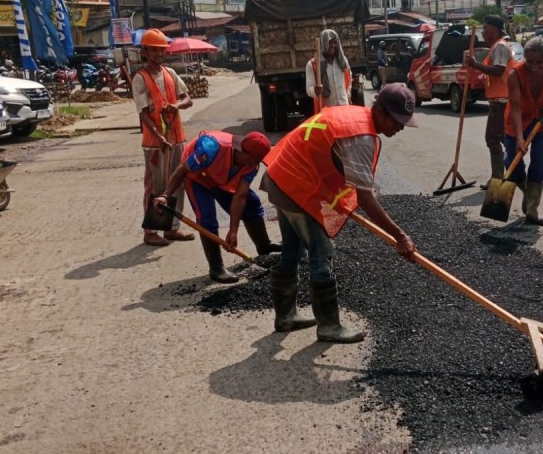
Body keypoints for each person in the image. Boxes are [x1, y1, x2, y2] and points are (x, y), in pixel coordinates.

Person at [260, 83, 418, 342]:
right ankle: (329, 326)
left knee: (292, 250)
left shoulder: (355, 115)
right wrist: (399, 235)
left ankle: (286, 316)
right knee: (321, 253)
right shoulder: (361, 137)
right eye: (396, 120)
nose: (400, 127)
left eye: (404, 122)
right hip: (296, 187)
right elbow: (365, 197)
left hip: (281, 175)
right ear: (379, 111)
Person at [155, 130, 281, 284]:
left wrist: (233, 231)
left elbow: (240, 196)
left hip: (220, 177)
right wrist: (165, 195)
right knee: (207, 217)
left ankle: (264, 246)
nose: (253, 164)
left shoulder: (252, 165)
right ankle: (216, 268)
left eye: (256, 161)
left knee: (251, 203)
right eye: (251, 160)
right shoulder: (210, 148)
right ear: (241, 150)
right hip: (197, 178)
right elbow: (182, 170)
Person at [132, 28, 194, 247]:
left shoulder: (170, 73)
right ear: (145, 52)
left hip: (176, 137)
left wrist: (176, 105)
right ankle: (150, 232)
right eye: (154, 50)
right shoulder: (140, 78)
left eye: (161, 50)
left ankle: (172, 228)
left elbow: (187, 99)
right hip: (155, 143)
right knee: (156, 187)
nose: (159, 54)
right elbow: (143, 114)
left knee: (177, 183)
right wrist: (158, 135)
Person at [503, 37, 543, 226]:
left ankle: (532, 210)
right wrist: (520, 138)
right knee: (512, 164)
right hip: (517, 123)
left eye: (540, 62)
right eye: (530, 62)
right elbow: (515, 108)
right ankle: (527, 192)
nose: (534, 67)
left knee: (539, 164)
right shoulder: (515, 75)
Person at [463, 16, 515, 187]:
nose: (483, 32)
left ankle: (498, 178)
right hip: (499, 100)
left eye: (485, 28)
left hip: (502, 101)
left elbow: (498, 71)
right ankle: (510, 173)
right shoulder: (495, 47)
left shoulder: (500, 46)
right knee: (503, 139)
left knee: (493, 139)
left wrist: (475, 64)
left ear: (495, 29)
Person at [306, 29, 351, 111]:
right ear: (323, 43)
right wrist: (315, 90)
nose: (333, 45)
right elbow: (309, 88)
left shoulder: (342, 61)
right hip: (326, 111)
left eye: (335, 42)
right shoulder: (313, 64)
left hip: (344, 108)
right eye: (329, 42)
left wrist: (348, 95)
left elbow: (349, 79)